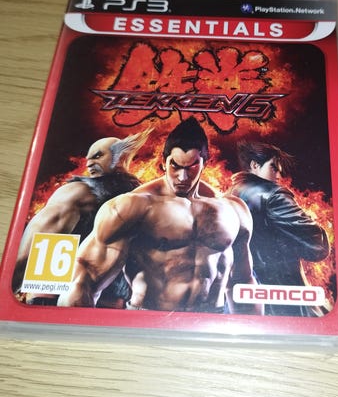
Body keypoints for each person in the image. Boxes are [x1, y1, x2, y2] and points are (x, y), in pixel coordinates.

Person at [58, 118, 261, 315]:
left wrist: (253, 332)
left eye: (191, 167)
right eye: (175, 166)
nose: (182, 177)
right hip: (147, 320)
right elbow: (83, 280)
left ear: (204, 164)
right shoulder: (132, 207)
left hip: (209, 320)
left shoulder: (233, 210)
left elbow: (242, 282)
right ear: (164, 162)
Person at [12, 128, 152, 306]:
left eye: (98, 156)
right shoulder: (78, 192)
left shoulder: (143, 199)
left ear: (121, 157)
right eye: (88, 159)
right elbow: (31, 251)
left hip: (112, 305)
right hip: (59, 301)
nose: (89, 164)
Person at [230, 141, 330, 316]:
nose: (279, 174)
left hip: (246, 301)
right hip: (286, 300)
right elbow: (317, 247)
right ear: (255, 165)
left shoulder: (231, 194)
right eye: (274, 168)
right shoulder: (274, 195)